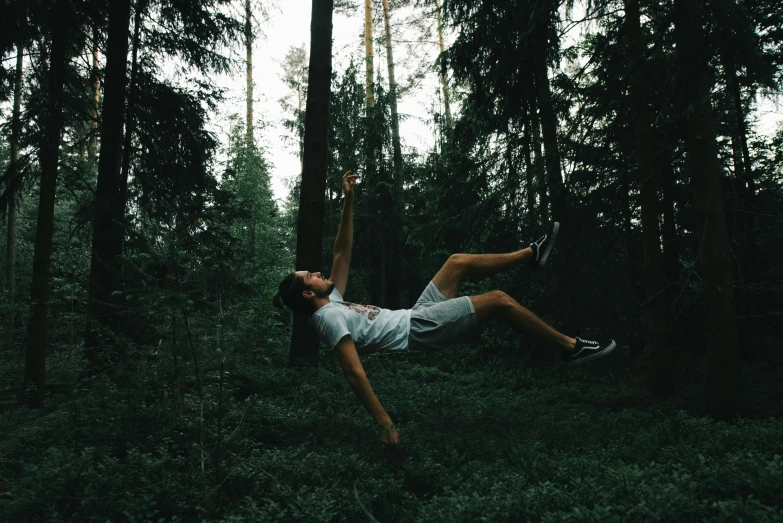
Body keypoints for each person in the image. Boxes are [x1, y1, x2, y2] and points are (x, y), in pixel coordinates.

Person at [273, 171, 616, 447]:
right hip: (419, 330)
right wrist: (385, 422)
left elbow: (341, 254)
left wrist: (348, 201)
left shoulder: (330, 300)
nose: (318, 273)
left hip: (416, 315)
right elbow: (354, 373)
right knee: (498, 300)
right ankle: (570, 348)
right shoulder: (329, 318)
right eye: (311, 276)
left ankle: (531, 255)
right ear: (307, 295)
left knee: (457, 262)